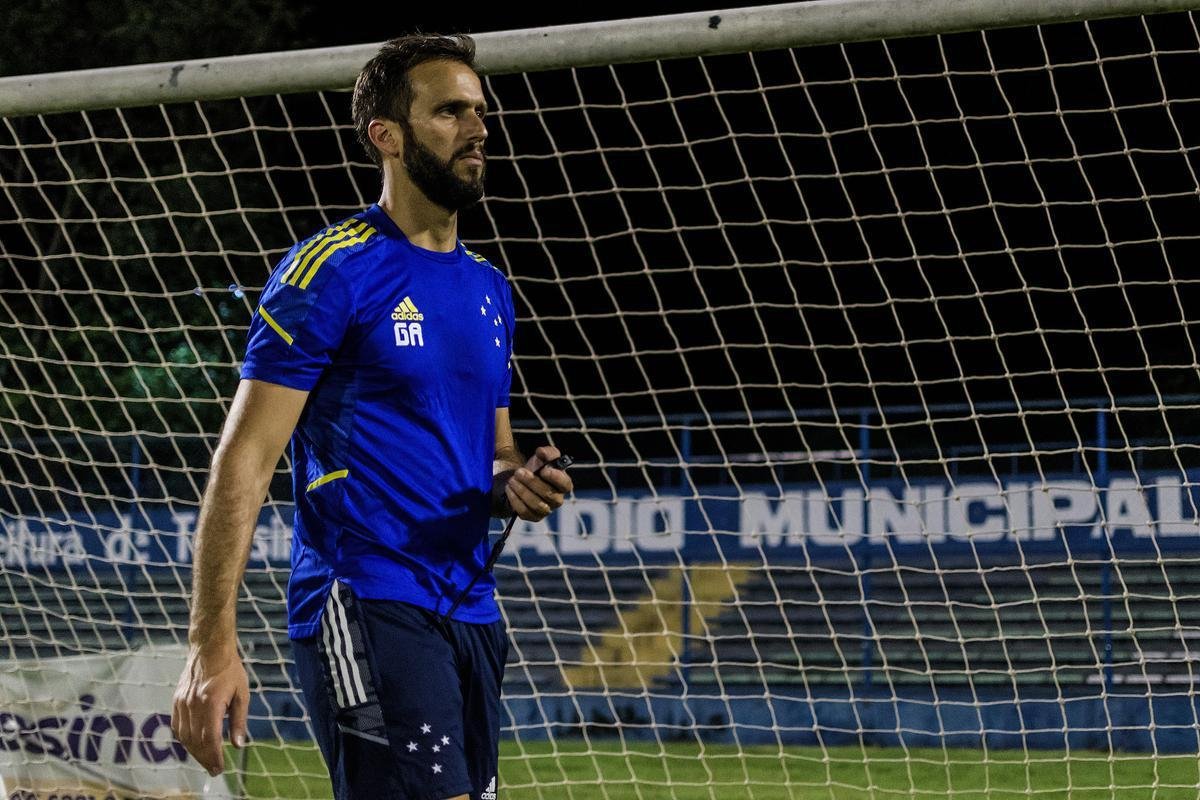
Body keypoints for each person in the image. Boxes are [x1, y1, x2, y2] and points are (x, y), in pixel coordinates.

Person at [171, 33, 573, 800]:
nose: (478, 127)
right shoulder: (331, 269)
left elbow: (491, 449)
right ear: (386, 136)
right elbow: (244, 459)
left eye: (480, 111)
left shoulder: (490, 288)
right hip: (364, 598)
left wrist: (516, 480)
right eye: (449, 111)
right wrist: (210, 645)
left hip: (472, 606)